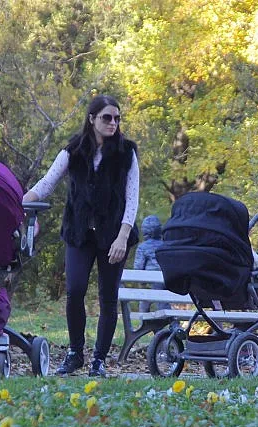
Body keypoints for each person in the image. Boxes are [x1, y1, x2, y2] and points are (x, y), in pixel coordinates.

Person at [22, 94, 140, 377]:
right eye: (106, 118)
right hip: (79, 233)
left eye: (117, 118)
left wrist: (123, 237)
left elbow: (132, 198)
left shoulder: (127, 153)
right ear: (92, 119)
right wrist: (21, 203)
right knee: (74, 291)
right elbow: (47, 183)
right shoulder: (73, 151)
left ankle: (99, 360)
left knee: (108, 297)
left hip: (114, 234)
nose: (113, 123)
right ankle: (75, 353)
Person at [133, 215, 169, 313]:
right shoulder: (165, 246)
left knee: (145, 301)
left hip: (150, 282)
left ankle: (144, 322)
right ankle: (171, 322)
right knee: (163, 301)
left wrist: (142, 282)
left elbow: (138, 268)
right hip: (166, 280)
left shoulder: (142, 247)